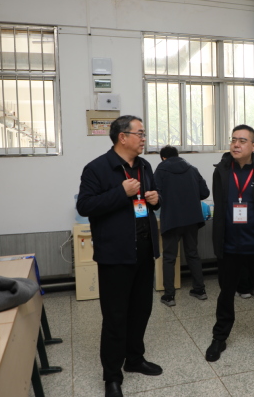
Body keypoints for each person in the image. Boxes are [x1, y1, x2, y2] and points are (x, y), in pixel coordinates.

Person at [77, 115, 162, 397]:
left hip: (144, 250)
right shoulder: (97, 168)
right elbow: (85, 205)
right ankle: (112, 376)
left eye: (144, 133)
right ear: (122, 137)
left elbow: (150, 199)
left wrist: (156, 200)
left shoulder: (145, 166)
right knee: (115, 317)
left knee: (141, 310)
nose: (144, 138)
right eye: (140, 133)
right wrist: (120, 192)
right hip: (115, 255)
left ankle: (134, 359)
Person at [205, 124, 254, 363]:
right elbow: (220, 205)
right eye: (233, 140)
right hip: (228, 247)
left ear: (253, 146)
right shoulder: (221, 171)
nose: (236, 144)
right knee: (225, 295)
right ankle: (219, 337)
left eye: (242, 140)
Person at [154, 145, 210, 307]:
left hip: (172, 220)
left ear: (163, 158)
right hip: (192, 219)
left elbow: (155, 196)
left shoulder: (161, 170)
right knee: (192, 253)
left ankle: (169, 296)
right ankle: (200, 290)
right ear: (177, 155)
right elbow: (205, 193)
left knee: (169, 257)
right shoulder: (192, 169)